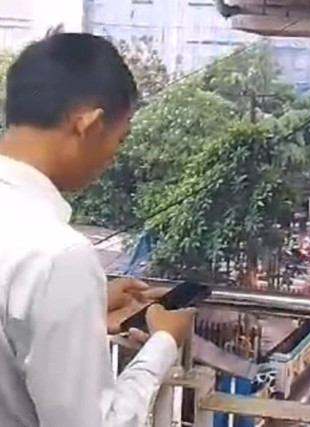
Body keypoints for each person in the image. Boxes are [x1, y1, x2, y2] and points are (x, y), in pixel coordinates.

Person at [0, 34, 196, 427]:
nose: (113, 157)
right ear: (90, 125)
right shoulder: (58, 255)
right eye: (119, 139)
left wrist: (86, 305)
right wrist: (163, 343)